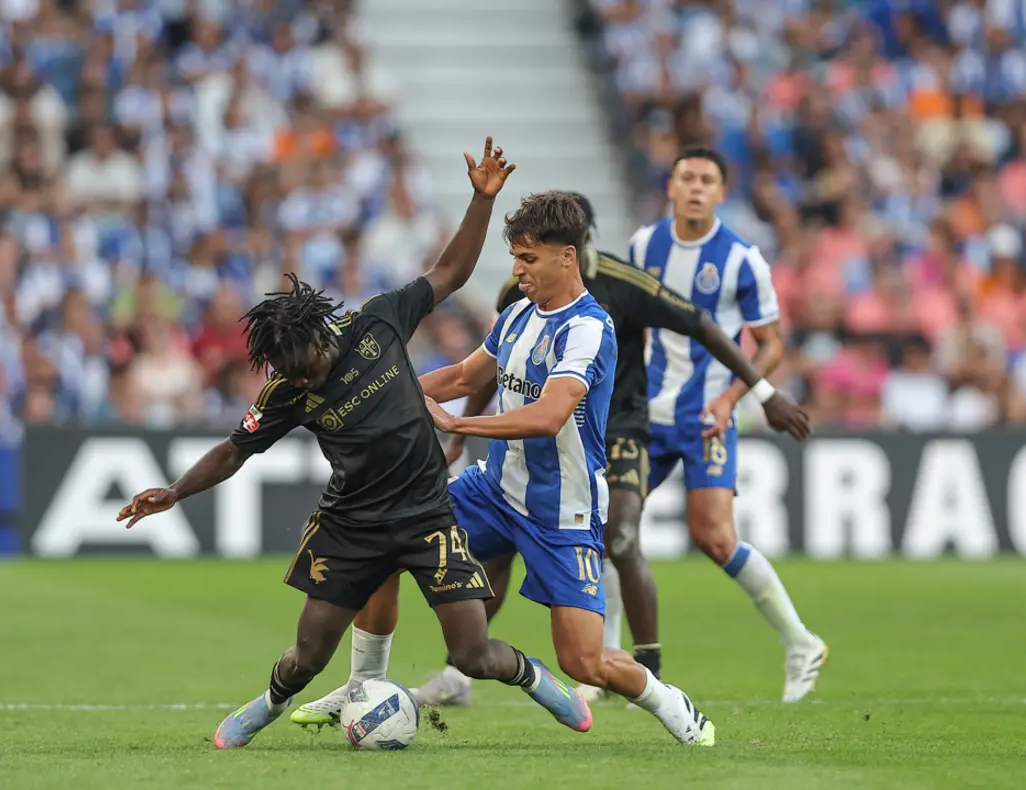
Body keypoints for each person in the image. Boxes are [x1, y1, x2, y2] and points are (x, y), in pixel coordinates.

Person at [117, 140, 598, 748]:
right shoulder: (287, 390)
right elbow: (235, 449)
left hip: (427, 514)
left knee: (474, 653)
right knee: (307, 657)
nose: (308, 381)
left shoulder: (377, 321)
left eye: (311, 367)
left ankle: (535, 680)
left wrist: (481, 201)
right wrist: (176, 491)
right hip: (351, 524)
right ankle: (267, 705)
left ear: (325, 334)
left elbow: (449, 272)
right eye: (295, 376)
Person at [309, 192, 811, 710]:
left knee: (583, 660)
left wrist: (459, 422)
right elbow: (463, 375)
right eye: (515, 258)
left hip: (561, 508)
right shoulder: (517, 314)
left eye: (527, 259)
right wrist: (383, 390)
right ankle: (361, 687)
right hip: (495, 488)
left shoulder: (590, 327)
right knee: (384, 542)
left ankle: (668, 700)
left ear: (567, 256)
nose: (517, 270)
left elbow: (549, 418)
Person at [630, 146, 827, 702]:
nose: (695, 187)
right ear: (671, 185)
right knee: (608, 528)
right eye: (686, 177)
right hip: (649, 415)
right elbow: (635, 324)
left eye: (706, 180)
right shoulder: (645, 245)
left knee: (714, 537)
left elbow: (772, 345)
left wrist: (732, 399)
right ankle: (606, 663)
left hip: (708, 416)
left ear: (721, 191)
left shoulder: (743, 260)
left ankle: (800, 641)